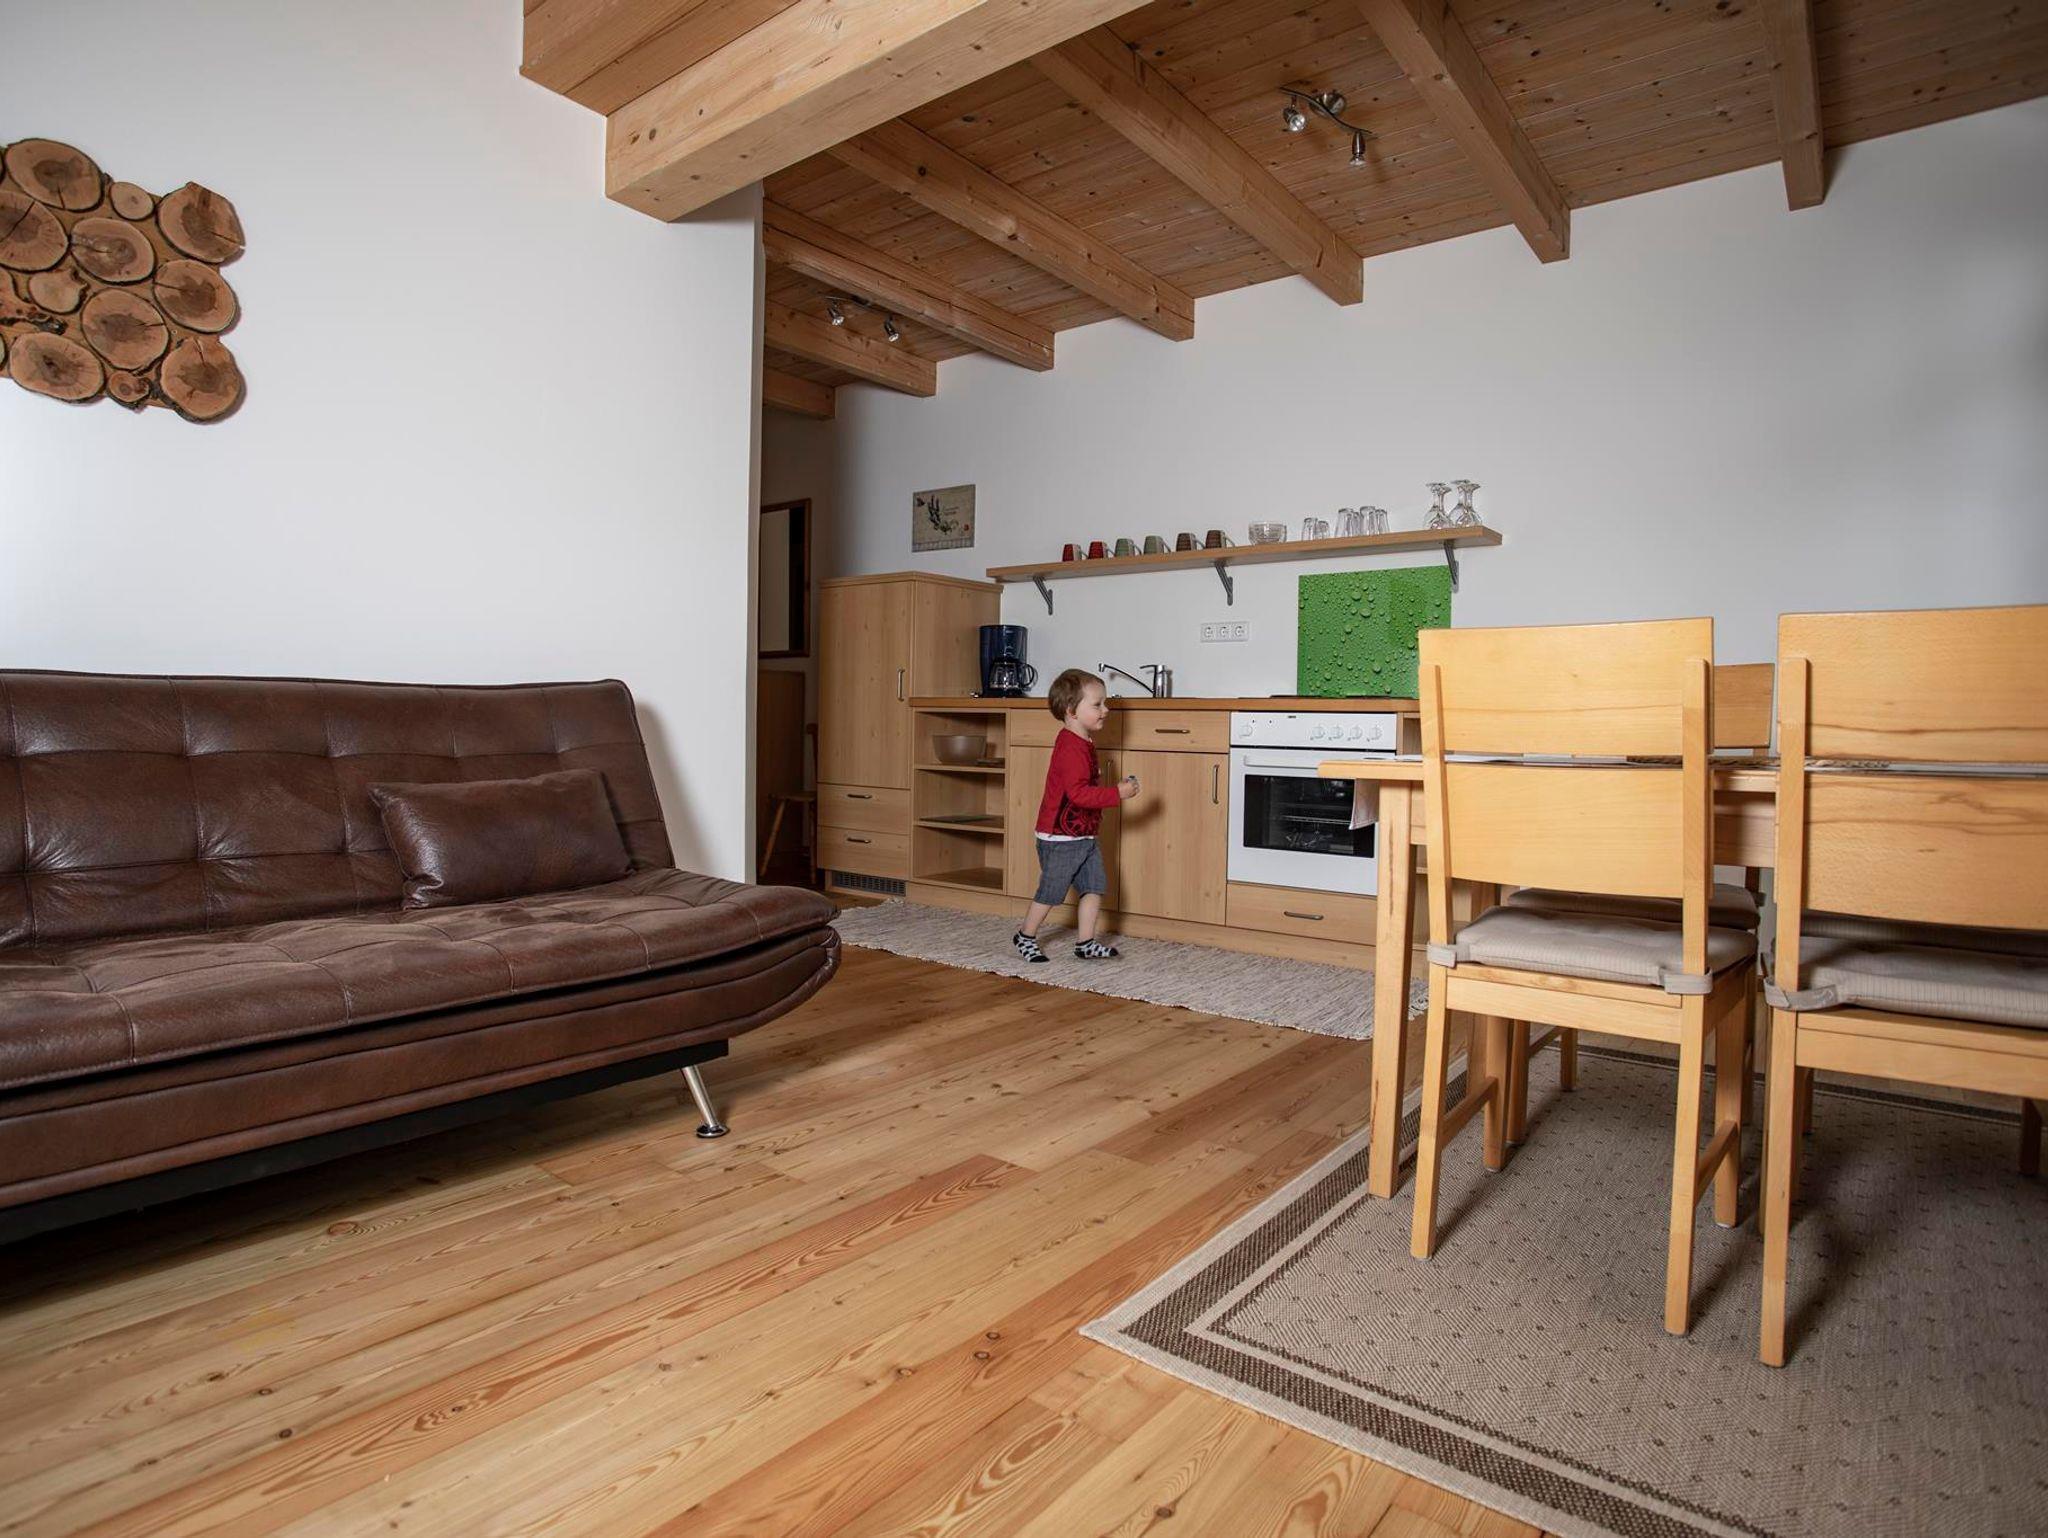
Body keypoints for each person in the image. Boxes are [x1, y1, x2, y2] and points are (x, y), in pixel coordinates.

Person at [1013, 668, 1140, 963]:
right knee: (1051, 891)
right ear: (1072, 711)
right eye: (1097, 704)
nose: (1105, 710)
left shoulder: (1083, 741)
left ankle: (1085, 942)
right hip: (1060, 838)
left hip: (1083, 835)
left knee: (1093, 886)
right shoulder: (1070, 748)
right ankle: (1025, 935)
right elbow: (1079, 795)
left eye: (1104, 703)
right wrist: (1117, 793)